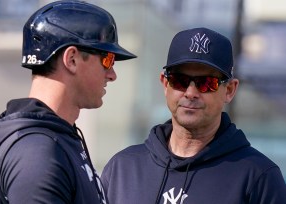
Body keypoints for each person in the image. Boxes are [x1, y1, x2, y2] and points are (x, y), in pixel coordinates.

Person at [101, 27, 286, 204]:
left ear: (229, 90)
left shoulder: (258, 177)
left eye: (206, 83)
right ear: (165, 84)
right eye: (179, 80)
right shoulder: (122, 168)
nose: (191, 93)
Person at [0, 1, 136, 203]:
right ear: (71, 59)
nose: (112, 74)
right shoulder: (36, 154)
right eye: (107, 59)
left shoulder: (57, 139)